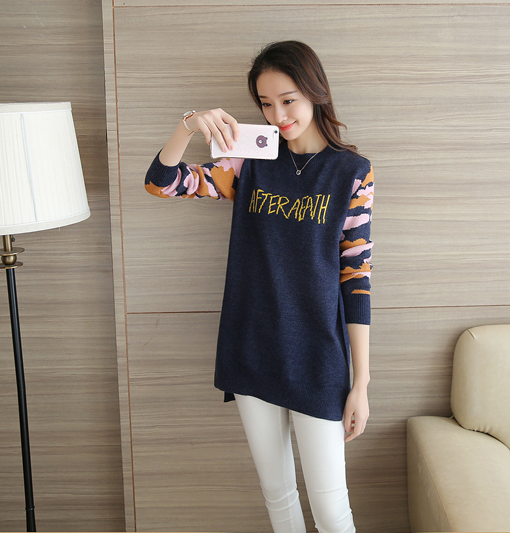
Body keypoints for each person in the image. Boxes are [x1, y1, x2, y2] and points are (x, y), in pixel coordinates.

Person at [144, 40, 374, 533]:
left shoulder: (351, 173)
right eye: (266, 104)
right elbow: (161, 182)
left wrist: (361, 383)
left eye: (288, 100)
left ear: (315, 92)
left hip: (318, 356)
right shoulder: (248, 161)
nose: (278, 115)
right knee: (279, 496)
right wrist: (188, 125)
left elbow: (356, 278)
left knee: (332, 511)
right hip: (251, 344)